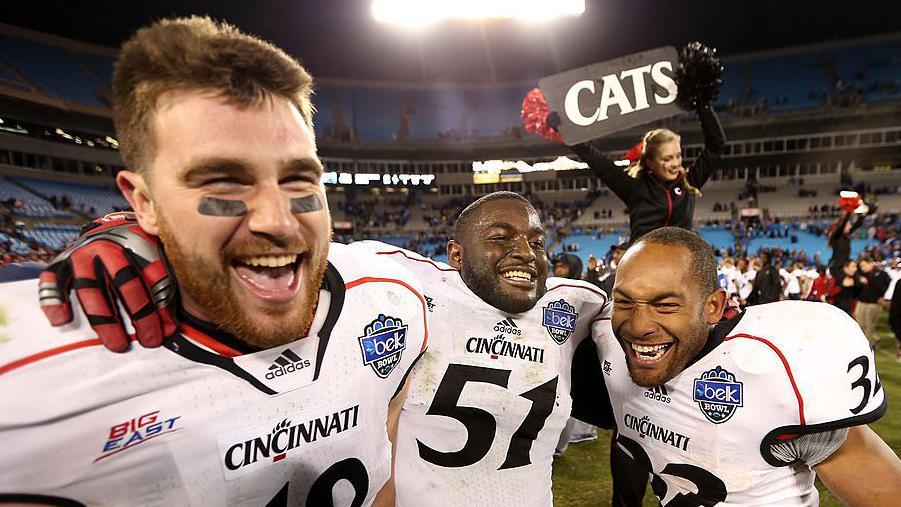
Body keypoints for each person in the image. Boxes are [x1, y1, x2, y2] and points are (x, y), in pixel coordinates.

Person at [0, 17, 428, 505]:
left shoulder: (391, 297)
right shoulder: (32, 373)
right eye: (224, 182)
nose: (279, 221)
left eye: (297, 180)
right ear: (144, 203)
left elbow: (384, 460)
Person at [35, 192, 612, 506]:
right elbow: (271, 251)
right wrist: (134, 232)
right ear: (455, 255)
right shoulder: (402, 281)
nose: (525, 252)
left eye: (537, 240)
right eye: (500, 238)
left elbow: (643, 309)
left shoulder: (575, 303)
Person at [581, 227, 899, 505]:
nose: (638, 326)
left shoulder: (772, 370)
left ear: (713, 306)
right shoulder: (607, 340)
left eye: (665, 305)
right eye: (625, 302)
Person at [571, 104, 725, 242]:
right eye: (667, 158)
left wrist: (704, 106)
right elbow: (602, 166)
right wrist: (573, 136)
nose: (676, 163)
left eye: (678, 156)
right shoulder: (635, 188)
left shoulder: (689, 183)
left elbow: (716, 146)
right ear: (650, 162)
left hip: (680, 263)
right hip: (644, 263)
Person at [853, 257, 890, 348]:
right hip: (862, 302)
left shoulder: (881, 274)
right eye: (861, 266)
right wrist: (859, 277)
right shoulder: (860, 274)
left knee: (870, 325)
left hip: (874, 303)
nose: (862, 268)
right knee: (860, 324)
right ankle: (864, 342)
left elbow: (889, 286)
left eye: (864, 265)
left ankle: (869, 345)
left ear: (870, 263)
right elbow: (854, 274)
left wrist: (883, 297)